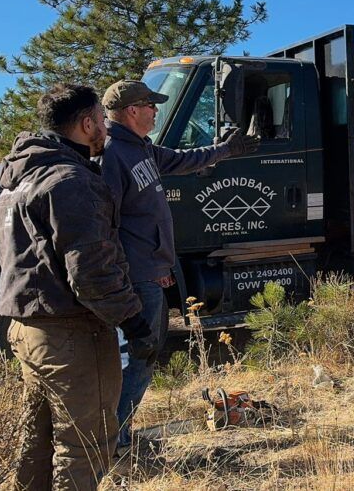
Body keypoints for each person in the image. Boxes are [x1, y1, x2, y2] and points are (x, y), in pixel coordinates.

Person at [0, 84, 156, 490]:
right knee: (86, 445)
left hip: (27, 332)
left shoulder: (16, 181)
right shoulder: (72, 181)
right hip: (70, 335)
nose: (105, 127)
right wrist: (134, 323)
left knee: (38, 440)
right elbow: (91, 272)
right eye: (102, 120)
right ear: (86, 124)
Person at [99, 79, 259, 454]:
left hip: (149, 273)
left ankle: (118, 436)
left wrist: (226, 150)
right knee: (138, 355)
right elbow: (107, 225)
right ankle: (115, 441)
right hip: (135, 278)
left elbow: (185, 160)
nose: (156, 110)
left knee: (145, 354)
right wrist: (133, 272)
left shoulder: (142, 149)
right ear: (131, 111)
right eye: (150, 105)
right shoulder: (112, 155)